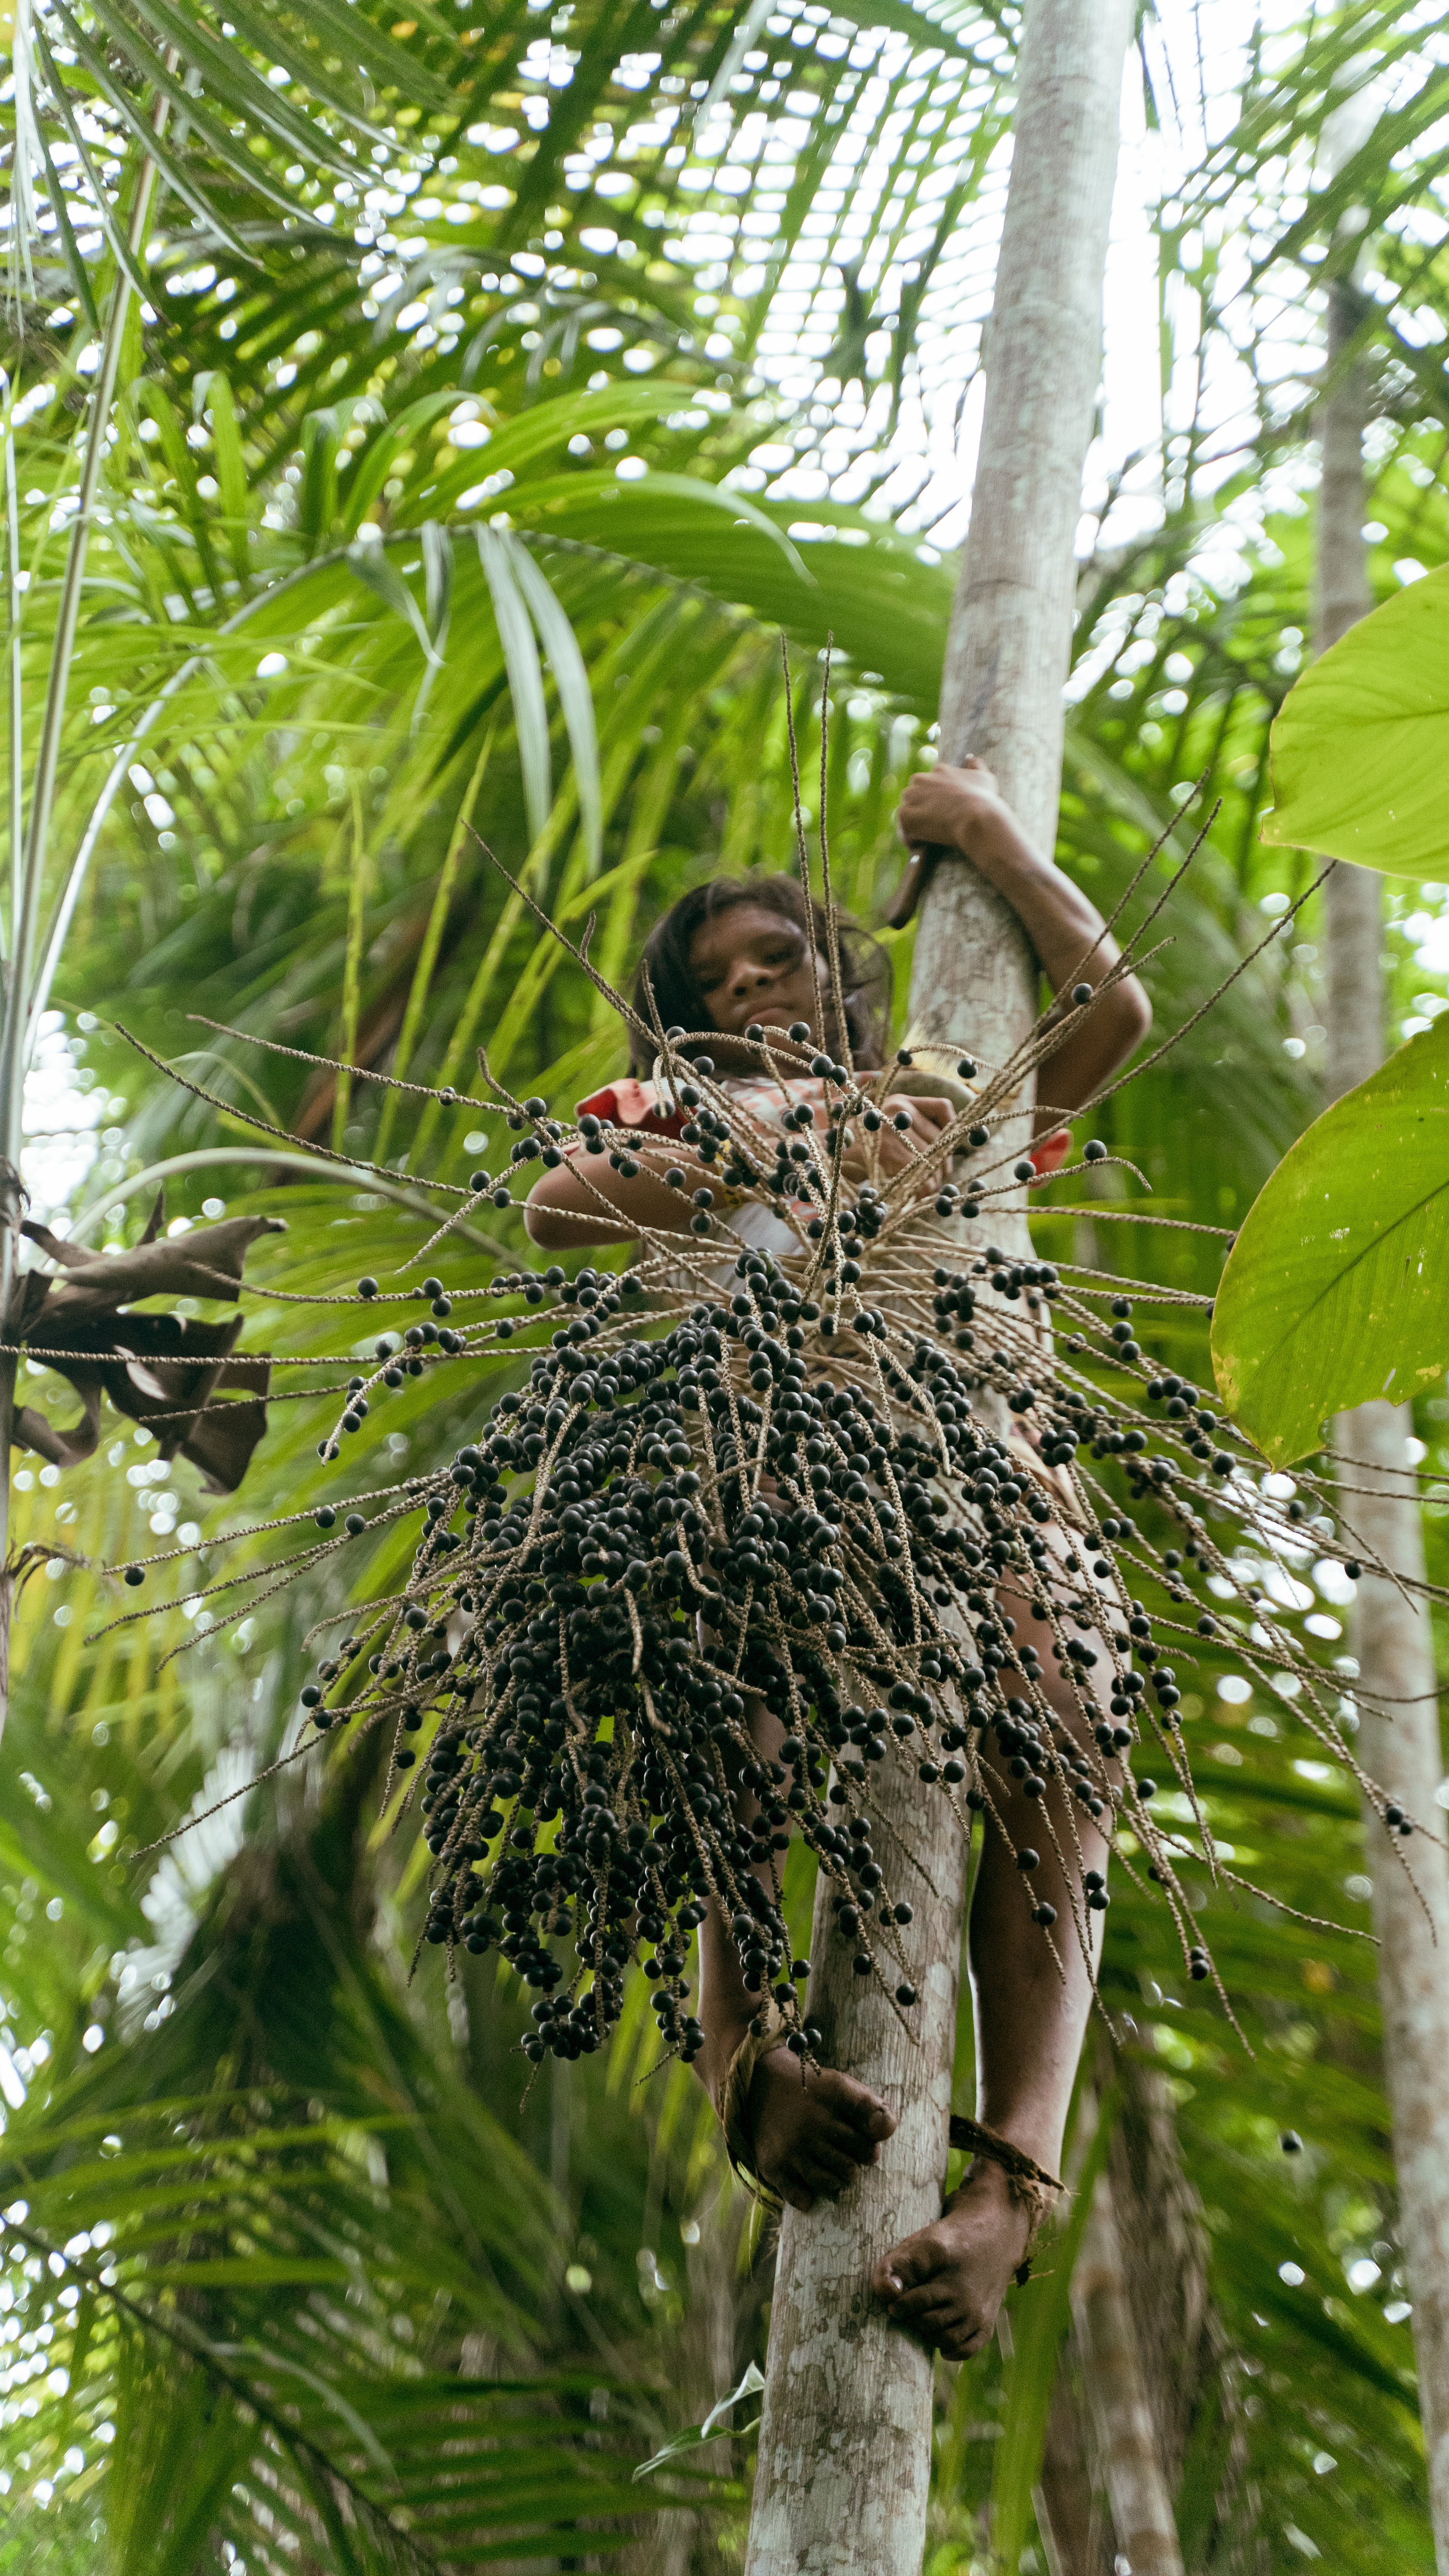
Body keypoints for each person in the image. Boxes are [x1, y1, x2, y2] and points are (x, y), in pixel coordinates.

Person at [525, 756, 1150, 2360]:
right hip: (774, 1457)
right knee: (729, 1698)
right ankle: (746, 2058)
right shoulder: (692, 1108)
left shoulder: (947, 1074)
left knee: (1061, 1733)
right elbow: (563, 1206)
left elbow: (1113, 1017)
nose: (750, 991)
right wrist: (800, 1140)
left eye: (779, 959)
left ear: (841, 970)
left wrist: (989, 837)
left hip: (983, 1456)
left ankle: (1014, 2178)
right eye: (715, 983)